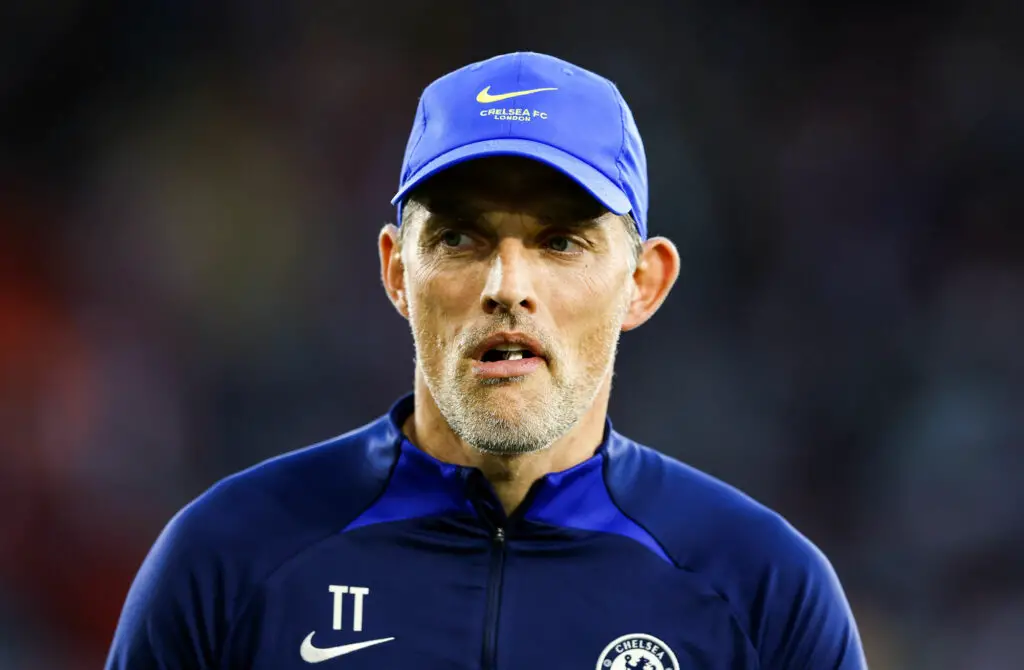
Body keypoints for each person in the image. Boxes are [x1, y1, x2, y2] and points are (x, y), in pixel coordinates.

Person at [105, 51, 867, 670]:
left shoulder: (762, 592)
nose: (507, 286)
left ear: (643, 283)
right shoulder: (227, 562)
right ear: (397, 273)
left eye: (561, 241)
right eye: (458, 238)